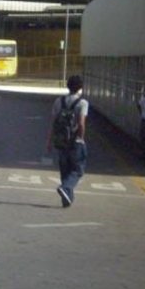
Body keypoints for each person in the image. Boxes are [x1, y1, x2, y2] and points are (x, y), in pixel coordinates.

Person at [47, 75, 89, 208]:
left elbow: (53, 122)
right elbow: (81, 123)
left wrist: (49, 141)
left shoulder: (59, 101)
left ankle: (67, 199)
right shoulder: (82, 103)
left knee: (64, 169)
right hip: (74, 141)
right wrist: (81, 138)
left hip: (61, 140)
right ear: (80, 88)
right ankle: (65, 188)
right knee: (78, 169)